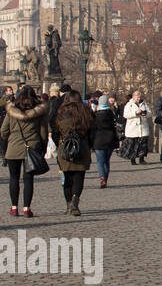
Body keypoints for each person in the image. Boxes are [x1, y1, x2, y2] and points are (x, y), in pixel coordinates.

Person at [3, 86, 49, 218]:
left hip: (14, 147)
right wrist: (43, 147)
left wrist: (10, 139)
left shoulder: (12, 111)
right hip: (32, 147)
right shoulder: (39, 112)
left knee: (14, 178)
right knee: (28, 179)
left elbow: (4, 130)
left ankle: (13, 207)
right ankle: (26, 208)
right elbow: (43, 133)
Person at [53, 88, 94, 216]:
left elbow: (55, 133)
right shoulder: (86, 113)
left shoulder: (61, 113)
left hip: (65, 147)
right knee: (79, 177)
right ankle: (75, 200)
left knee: (67, 178)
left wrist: (59, 144)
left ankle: (68, 203)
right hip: (82, 147)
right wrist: (89, 145)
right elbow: (92, 132)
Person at [91, 94, 119, 188]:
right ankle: (105, 178)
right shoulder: (111, 113)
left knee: (100, 161)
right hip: (109, 139)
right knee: (106, 161)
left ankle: (102, 177)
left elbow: (92, 129)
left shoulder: (95, 115)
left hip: (98, 140)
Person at [123, 90, 151, 164]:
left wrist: (145, 114)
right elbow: (126, 115)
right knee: (133, 145)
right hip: (133, 128)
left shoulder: (144, 103)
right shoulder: (129, 104)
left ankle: (141, 159)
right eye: (137, 97)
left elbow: (149, 113)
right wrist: (135, 113)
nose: (138, 99)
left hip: (143, 127)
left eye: (139, 97)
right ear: (133, 97)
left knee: (142, 145)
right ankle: (133, 159)